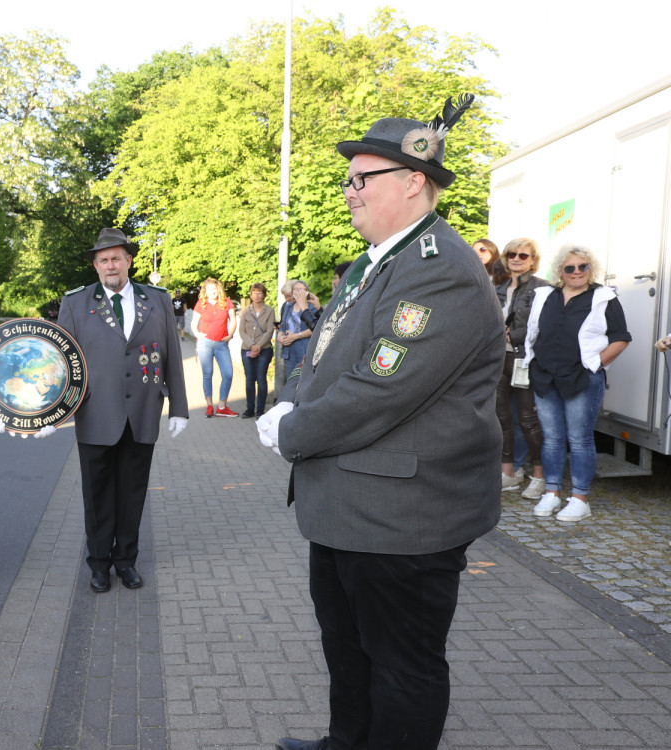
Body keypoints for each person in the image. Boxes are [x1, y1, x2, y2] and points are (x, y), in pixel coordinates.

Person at [259, 95, 503, 750]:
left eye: (360, 178)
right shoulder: (379, 262)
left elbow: (378, 391)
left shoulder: (439, 270)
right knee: (348, 652)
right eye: (348, 180)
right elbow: (329, 359)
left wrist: (290, 430)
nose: (349, 192)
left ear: (413, 180)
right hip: (350, 507)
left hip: (402, 519)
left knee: (402, 669)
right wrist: (290, 399)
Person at [57, 228, 188, 593]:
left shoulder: (156, 300)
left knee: (133, 491)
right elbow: (60, 361)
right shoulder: (76, 303)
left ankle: (126, 560)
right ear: (96, 266)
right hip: (95, 413)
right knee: (97, 495)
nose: (110, 265)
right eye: (103, 259)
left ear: (129, 261)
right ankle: (99, 563)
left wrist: (179, 406)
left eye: (117, 258)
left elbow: (172, 355)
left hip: (143, 412)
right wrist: (51, 411)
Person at [523, 244, 630, 523]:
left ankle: (580, 498)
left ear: (590, 268)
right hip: (546, 375)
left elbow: (621, 338)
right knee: (552, 439)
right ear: (561, 270)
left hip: (582, 378)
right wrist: (531, 361)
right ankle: (552, 492)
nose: (576, 272)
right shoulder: (546, 296)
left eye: (582, 266)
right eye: (569, 267)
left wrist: (594, 364)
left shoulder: (603, 297)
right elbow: (534, 331)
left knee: (580, 440)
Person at [496, 238, 549, 500]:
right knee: (502, 418)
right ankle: (509, 473)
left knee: (528, 420)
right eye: (512, 254)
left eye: (523, 255)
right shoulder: (501, 287)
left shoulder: (542, 288)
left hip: (526, 359)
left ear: (533, 260)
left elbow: (545, 326)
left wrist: (512, 334)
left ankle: (539, 476)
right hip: (499, 360)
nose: (517, 259)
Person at [190, 277, 238, 417]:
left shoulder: (226, 303)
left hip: (222, 344)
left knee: (228, 374)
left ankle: (222, 407)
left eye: (214, 289)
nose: (212, 292)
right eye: (209, 289)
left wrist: (230, 335)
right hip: (205, 343)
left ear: (218, 289)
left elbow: (233, 320)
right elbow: (194, 322)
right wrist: (197, 333)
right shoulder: (201, 304)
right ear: (205, 291)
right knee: (207, 374)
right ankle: (209, 406)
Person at [238, 282, 276, 418]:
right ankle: (249, 408)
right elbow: (241, 330)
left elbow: (270, 330)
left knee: (261, 379)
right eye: (254, 292)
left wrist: (258, 346)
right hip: (247, 349)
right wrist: (252, 345)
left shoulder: (270, 310)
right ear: (250, 294)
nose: (257, 295)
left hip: (264, 349)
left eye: (259, 292)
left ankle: (260, 410)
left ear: (264, 295)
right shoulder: (245, 311)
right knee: (249, 379)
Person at [277, 280, 319, 382]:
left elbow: (316, 328)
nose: (297, 291)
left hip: (304, 349)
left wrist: (295, 336)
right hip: (288, 351)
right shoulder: (288, 307)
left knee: (303, 381)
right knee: (290, 382)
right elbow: (283, 326)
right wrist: (280, 336)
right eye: (295, 289)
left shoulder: (311, 306)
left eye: (300, 289)